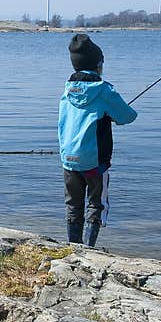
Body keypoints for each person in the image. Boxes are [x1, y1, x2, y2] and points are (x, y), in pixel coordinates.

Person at [58, 33, 137, 246]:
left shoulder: (66, 91)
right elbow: (128, 116)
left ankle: (73, 246)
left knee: (73, 205)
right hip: (95, 162)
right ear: (98, 65)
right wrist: (110, 114)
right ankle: (89, 249)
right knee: (96, 203)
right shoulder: (103, 91)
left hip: (69, 159)